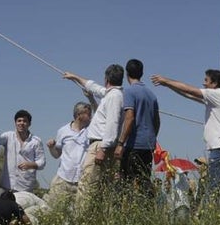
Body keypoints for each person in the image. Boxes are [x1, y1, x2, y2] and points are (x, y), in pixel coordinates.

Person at [152, 69, 220, 206]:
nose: (203, 83)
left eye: (206, 80)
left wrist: (166, 80)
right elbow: (188, 94)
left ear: (215, 83)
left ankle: (205, 221)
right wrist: (168, 85)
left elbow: (190, 90)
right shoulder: (215, 97)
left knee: (212, 190)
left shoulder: (216, 94)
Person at [65, 65, 124, 208]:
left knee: (87, 185)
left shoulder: (114, 96)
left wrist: (103, 148)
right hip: (100, 144)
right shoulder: (111, 94)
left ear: (107, 79)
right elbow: (94, 87)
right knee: (97, 186)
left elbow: (112, 124)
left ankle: (82, 219)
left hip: (100, 145)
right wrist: (75, 77)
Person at [116, 59, 161, 196]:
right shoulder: (151, 95)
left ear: (127, 74)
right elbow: (157, 121)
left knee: (125, 182)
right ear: (142, 73)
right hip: (148, 144)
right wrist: (152, 138)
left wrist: (120, 143)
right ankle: (148, 210)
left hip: (134, 144)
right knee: (144, 180)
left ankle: (125, 213)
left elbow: (129, 118)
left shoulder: (129, 92)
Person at [45, 102, 91, 208]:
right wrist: (51, 147)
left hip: (82, 180)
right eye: (88, 114)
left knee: (80, 213)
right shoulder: (63, 131)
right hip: (63, 178)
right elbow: (57, 155)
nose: (90, 117)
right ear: (79, 115)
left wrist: (91, 98)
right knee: (55, 210)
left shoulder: (91, 130)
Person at [0, 110, 46, 194]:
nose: (21, 123)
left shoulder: (36, 141)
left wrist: (31, 165)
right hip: (6, 186)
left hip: (25, 187)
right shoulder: (8, 136)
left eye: (25, 121)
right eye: (19, 121)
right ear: (15, 123)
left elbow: (42, 162)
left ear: (29, 124)